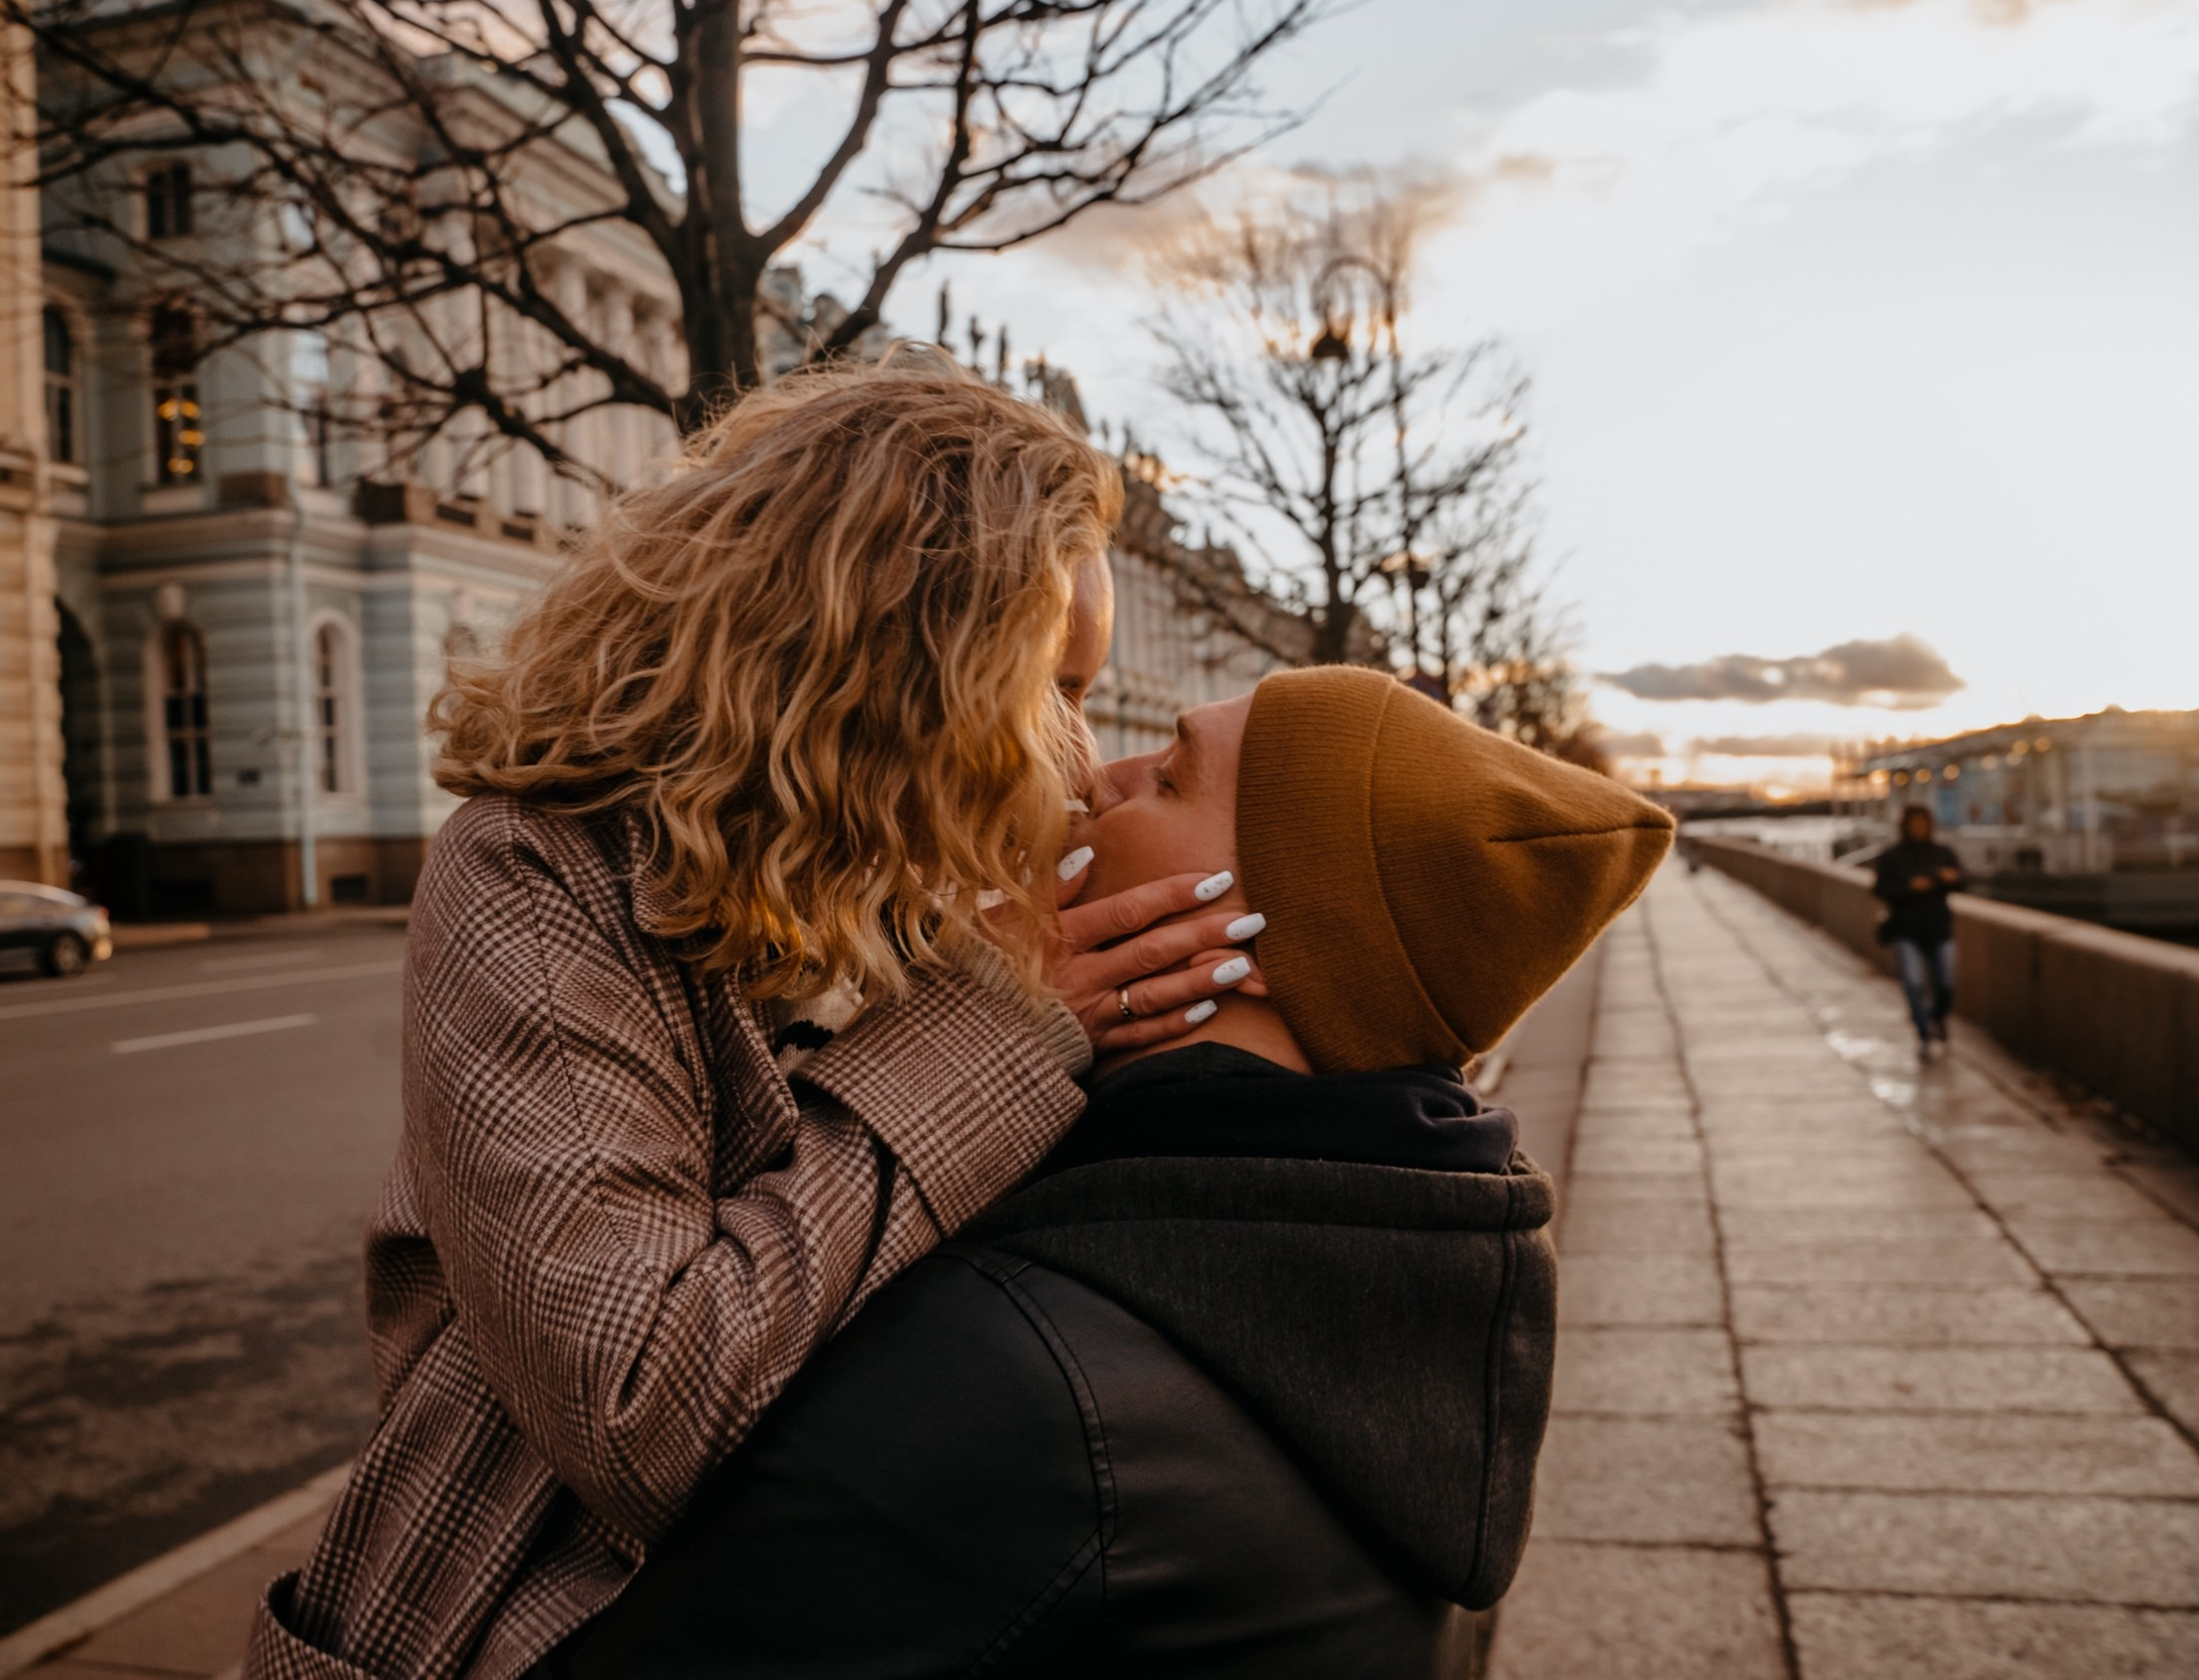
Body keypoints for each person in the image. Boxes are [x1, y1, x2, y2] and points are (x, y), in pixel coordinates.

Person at [247, 354, 1267, 1680]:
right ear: (893, 666)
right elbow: (636, 1407)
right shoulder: (534, 870)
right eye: (1050, 689)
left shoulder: (938, 875)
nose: (1075, 762)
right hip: (508, 1626)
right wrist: (999, 1038)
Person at [547, 667, 1676, 1678]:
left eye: (1171, 777)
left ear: (1259, 933)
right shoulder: (1414, 1254)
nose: (1096, 775)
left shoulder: (1016, 1368)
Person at [1873, 803, 1963, 1056]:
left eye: (1923, 823)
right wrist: (1909, 888)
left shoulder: (1943, 853)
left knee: (1946, 982)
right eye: (1915, 823)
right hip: (1906, 929)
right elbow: (1879, 890)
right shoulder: (1891, 856)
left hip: (1939, 928)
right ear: (1905, 826)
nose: (1919, 828)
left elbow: (1963, 883)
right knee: (1913, 983)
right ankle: (1924, 1032)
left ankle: (1937, 1017)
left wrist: (1951, 879)